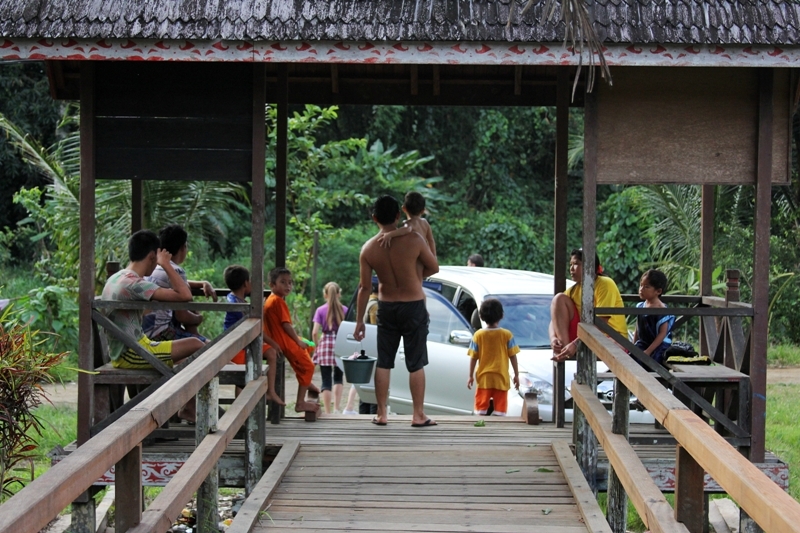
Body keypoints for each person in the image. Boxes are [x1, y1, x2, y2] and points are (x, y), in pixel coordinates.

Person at [354, 195, 439, 427]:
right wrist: (412, 277)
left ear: (374, 218)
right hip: (413, 306)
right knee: (416, 362)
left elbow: (364, 287)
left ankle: (382, 414)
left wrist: (360, 320)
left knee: (384, 361)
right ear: (398, 215)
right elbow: (434, 267)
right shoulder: (414, 239)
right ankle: (418, 415)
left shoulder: (368, 249)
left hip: (387, 307)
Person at [101, 229, 204, 421]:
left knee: (187, 358)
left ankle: (174, 410)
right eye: (156, 259)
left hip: (129, 348)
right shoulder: (134, 284)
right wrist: (166, 264)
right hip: (132, 353)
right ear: (151, 256)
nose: (157, 263)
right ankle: (188, 408)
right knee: (198, 346)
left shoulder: (119, 277)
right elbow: (185, 295)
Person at [549, 248, 627, 362]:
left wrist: (576, 344)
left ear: (589, 266)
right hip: (585, 340)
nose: (571, 268)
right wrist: (553, 338)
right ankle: (563, 350)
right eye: (571, 264)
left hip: (610, 339)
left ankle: (570, 348)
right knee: (558, 299)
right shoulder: (573, 290)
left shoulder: (605, 284)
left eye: (576, 264)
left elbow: (601, 323)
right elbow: (554, 319)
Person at [222, 264, 284, 405]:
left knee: (271, 353)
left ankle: (271, 392)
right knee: (243, 376)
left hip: (247, 342)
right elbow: (256, 325)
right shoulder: (236, 305)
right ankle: (240, 408)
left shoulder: (238, 299)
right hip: (236, 346)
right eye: (250, 281)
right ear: (245, 283)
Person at [142, 224, 216, 342]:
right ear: (183, 247)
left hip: (145, 332)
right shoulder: (176, 270)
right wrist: (198, 318)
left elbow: (175, 283)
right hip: (160, 333)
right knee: (210, 348)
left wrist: (201, 283)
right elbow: (182, 316)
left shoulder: (155, 267)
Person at [263, 266, 321, 414]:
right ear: (272, 285)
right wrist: (297, 340)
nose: (288, 286)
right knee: (308, 366)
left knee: (309, 346)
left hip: (280, 339)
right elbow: (286, 325)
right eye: (283, 282)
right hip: (285, 342)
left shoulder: (271, 299)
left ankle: (306, 382)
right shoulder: (278, 301)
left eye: (290, 282)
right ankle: (300, 403)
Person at [467, 298, 520, 416]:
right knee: (500, 411)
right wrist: (516, 375)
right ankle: (498, 430)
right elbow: (513, 356)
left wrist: (470, 376)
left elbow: (473, 357)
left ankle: (480, 428)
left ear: (481, 316)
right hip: (501, 376)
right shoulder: (507, 335)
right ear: (501, 315)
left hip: (484, 377)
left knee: (480, 409)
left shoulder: (478, 335)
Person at [311, 281, 349, 414]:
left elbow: (315, 332)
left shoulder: (320, 310)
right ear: (339, 294)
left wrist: (317, 346)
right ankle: (337, 409)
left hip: (326, 343)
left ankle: (327, 411)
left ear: (325, 295)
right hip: (340, 344)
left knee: (326, 379)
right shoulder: (345, 310)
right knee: (338, 377)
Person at [633, 269, 674, 365]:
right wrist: (633, 345)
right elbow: (637, 327)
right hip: (644, 342)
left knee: (652, 362)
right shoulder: (640, 306)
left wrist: (648, 351)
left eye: (646, 287)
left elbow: (662, 334)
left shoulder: (661, 310)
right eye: (641, 285)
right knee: (632, 359)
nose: (641, 289)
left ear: (658, 291)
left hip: (659, 345)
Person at [376, 191, 436, 257]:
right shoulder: (425, 222)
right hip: (424, 254)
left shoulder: (407, 223)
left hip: (416, 255)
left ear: (404, 209)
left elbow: (407, 229)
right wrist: (433, 256)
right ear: (423, 211)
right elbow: (431, 240)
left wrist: (389, 234)